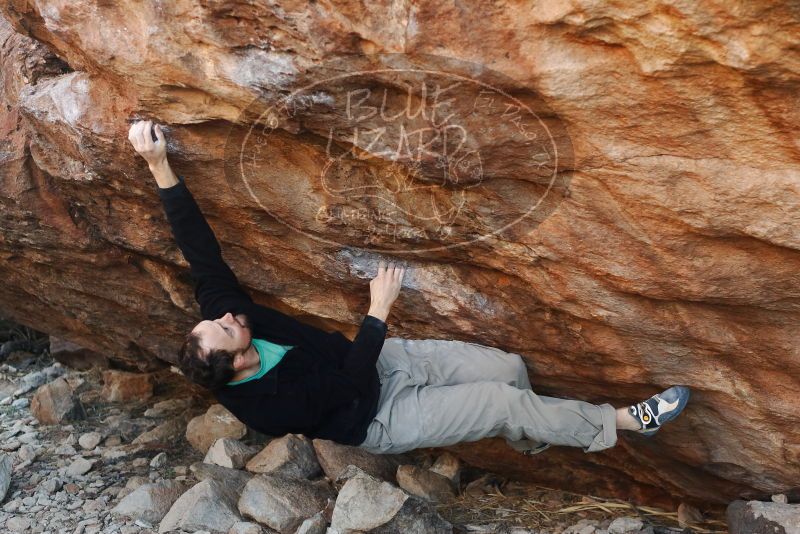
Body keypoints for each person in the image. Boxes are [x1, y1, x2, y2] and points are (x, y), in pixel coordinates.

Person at [128, 119, 690, 456]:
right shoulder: (266, 407)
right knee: (501, 401)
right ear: (238, 365)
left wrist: (159, 164)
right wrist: (378, 312)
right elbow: (346, 388)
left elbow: (201, 254)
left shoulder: (224, 322)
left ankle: (532, 436)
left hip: (386, 361)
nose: (231, 317)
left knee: (512, 371)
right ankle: (621, 421)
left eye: (220, 319)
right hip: (377, 416)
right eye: (228, 329)